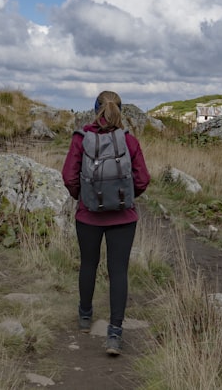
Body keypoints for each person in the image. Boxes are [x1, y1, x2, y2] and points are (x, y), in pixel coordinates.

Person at [61, 90, 150, 356]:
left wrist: (84, 198)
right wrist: (125, 199)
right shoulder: (129, 141)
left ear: (95, 109)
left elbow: (68, 176)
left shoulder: (81, 139)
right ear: (120, 111)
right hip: (123, 218)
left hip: (88, 216)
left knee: (89, 264)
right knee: (118, 272)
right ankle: (114, 334)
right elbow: (143, 179)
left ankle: (85, 317)